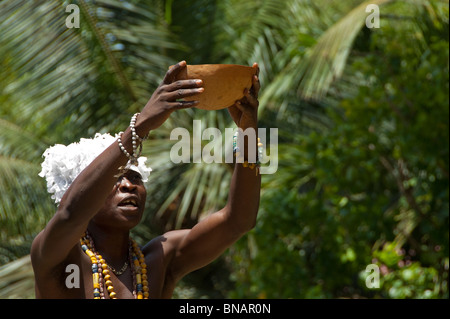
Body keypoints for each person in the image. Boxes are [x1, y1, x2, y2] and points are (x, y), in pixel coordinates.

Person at [31, 61, 261, 299]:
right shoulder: (58, 258)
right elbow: (70, 214)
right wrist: (140, 126)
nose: (128, 185)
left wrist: (248, 133)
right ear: (82, 188)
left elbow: (238, 220)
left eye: (135, 177)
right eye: (115, 179)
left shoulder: (159, 260)